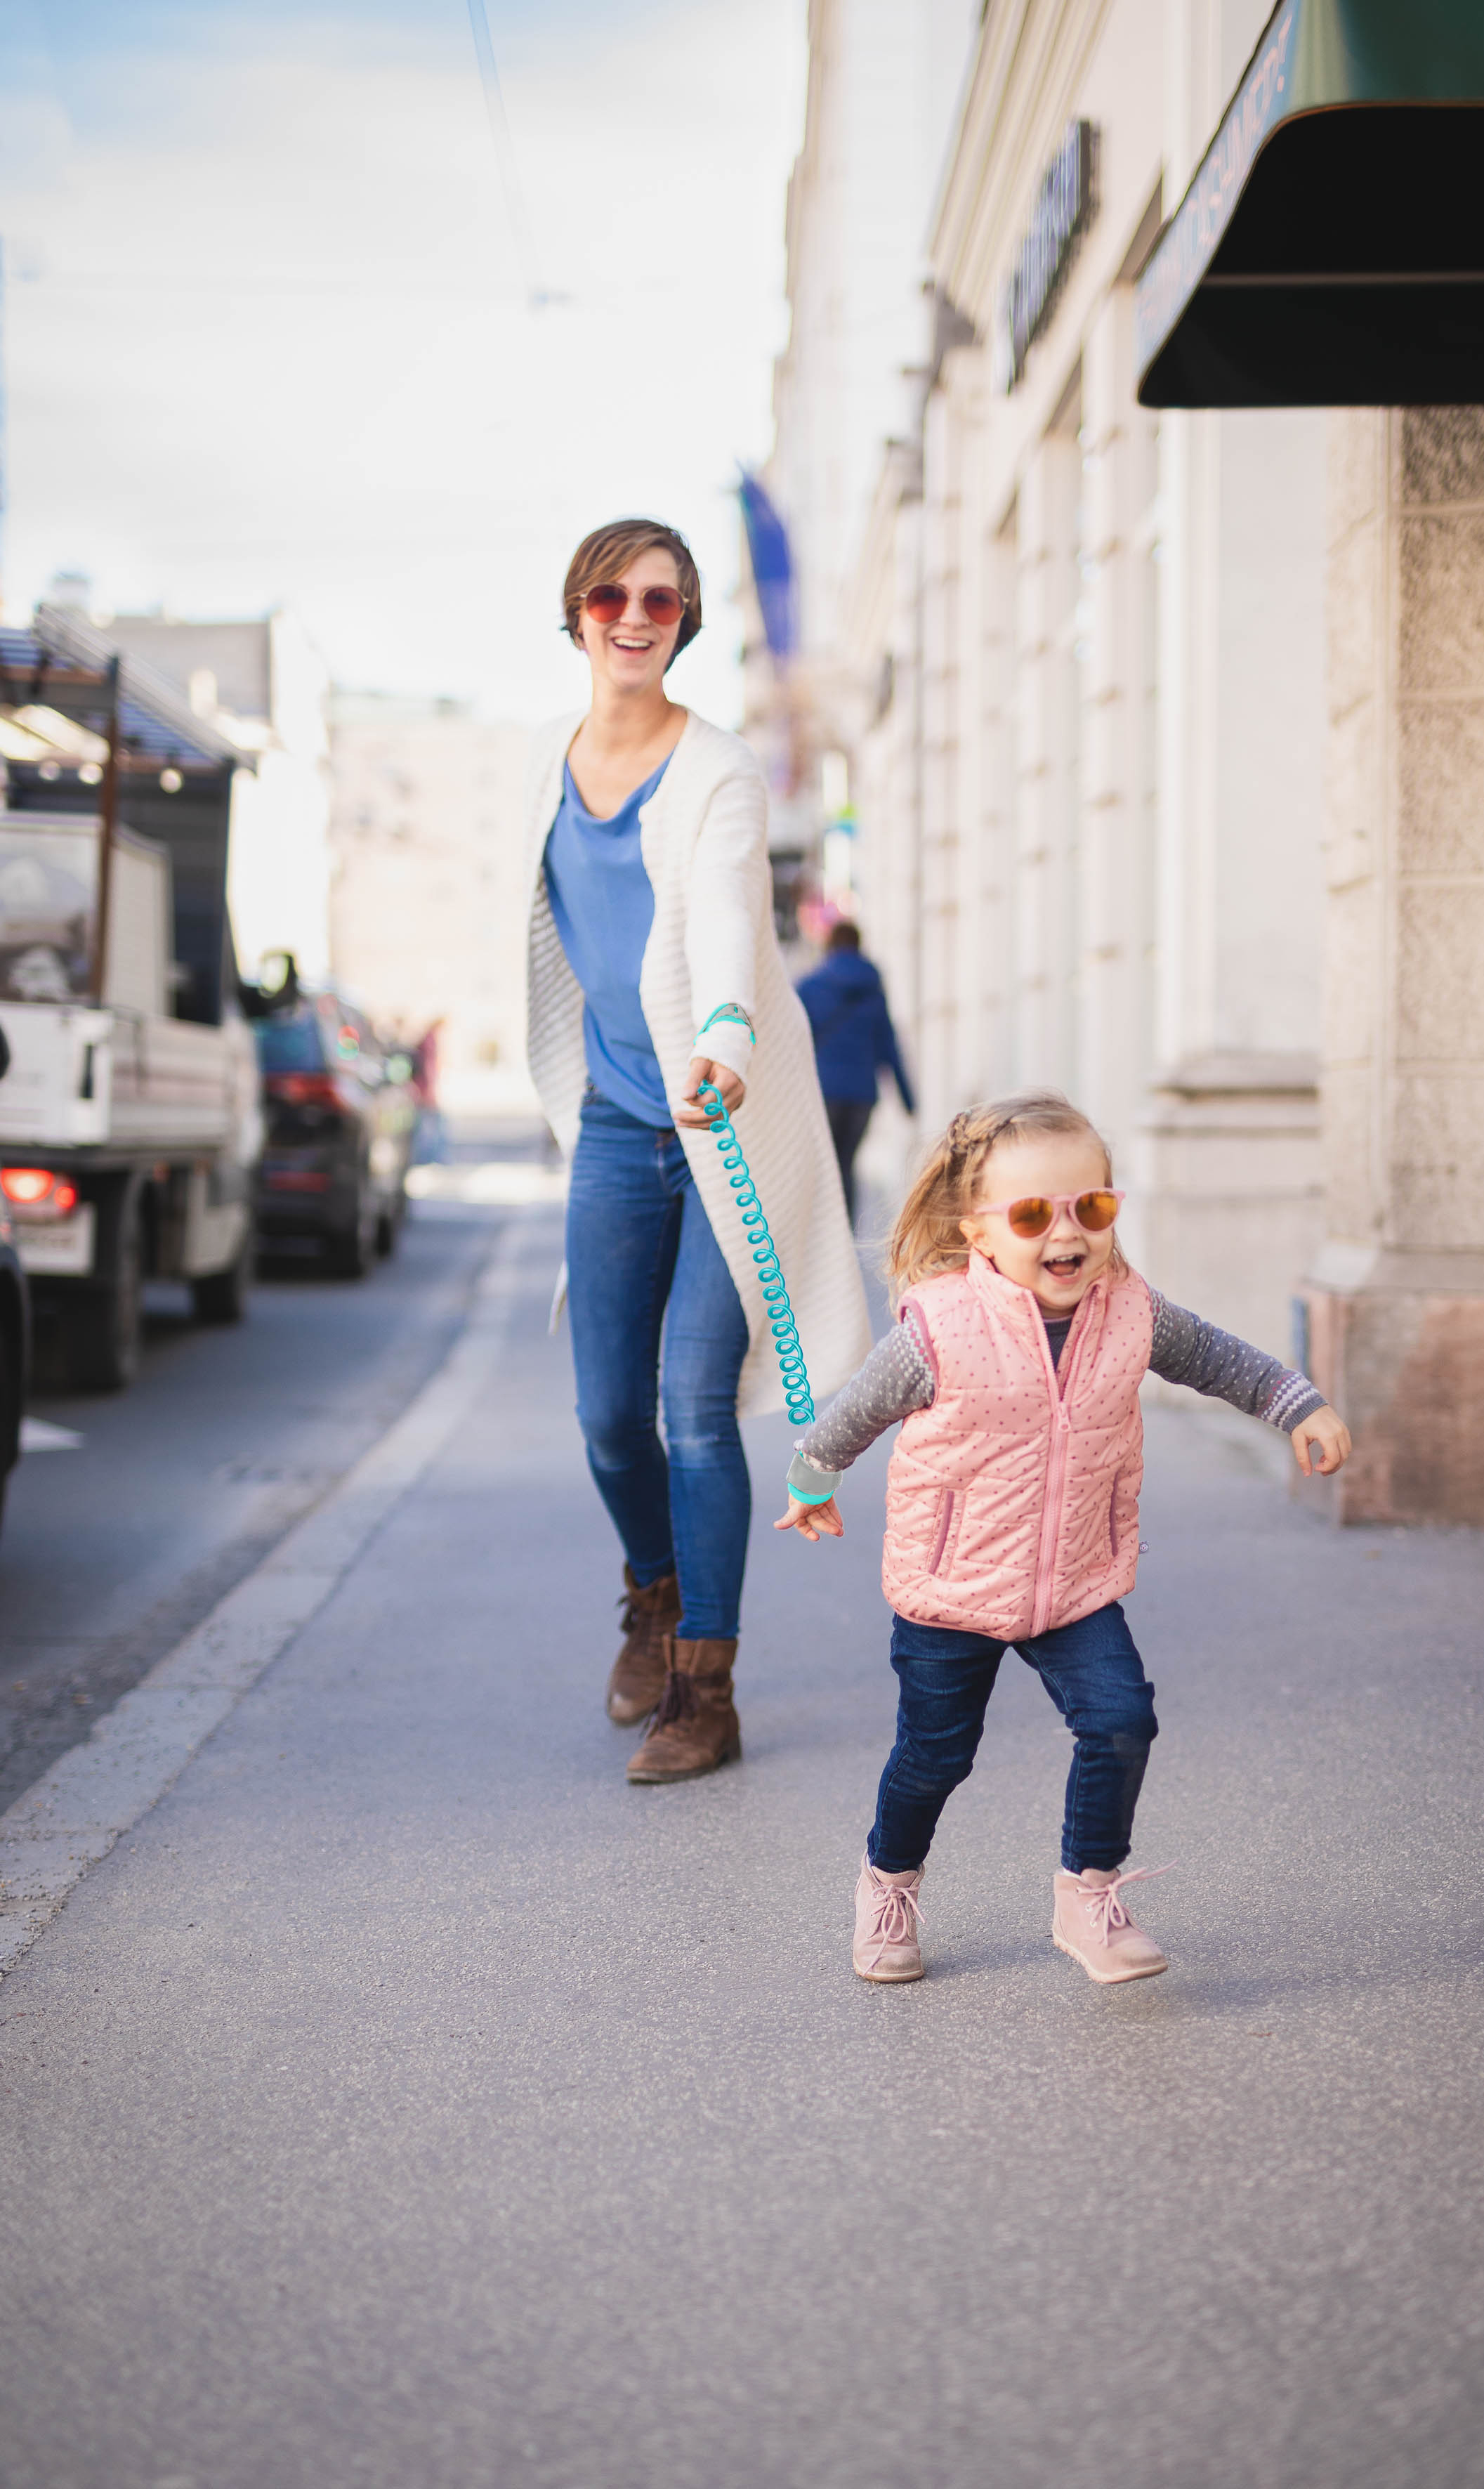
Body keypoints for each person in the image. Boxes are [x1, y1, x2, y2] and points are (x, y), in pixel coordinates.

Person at [773, 1090, 1352, 1985]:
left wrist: (1295, 1405)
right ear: (978, 1232)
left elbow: (1221, 1360)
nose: (1068, 1233)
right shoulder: (939, 1328)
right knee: (934, 1757)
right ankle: (887, 1882)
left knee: (1122, 1721)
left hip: (1075, 1581)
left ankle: (1089, 1894)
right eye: (1036, 1213)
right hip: (950, 1589)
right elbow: (856, 1411)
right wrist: (812, 1478)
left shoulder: (1132, 1311)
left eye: (1094, 1207)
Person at [526, 518, 869, 1784]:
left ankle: (703, 1693)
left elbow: (728, 906)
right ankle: (652, 1593)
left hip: (725, 1118)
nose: (634, 615)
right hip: (619, 1124)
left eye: (660, 599)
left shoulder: (717, 769)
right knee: (607, 1415)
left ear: (685, 620)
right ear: (574, 612)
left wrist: (725, 1032)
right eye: (610, 594)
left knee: (688, 1406)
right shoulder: (542, 767)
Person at [795, 921, 914, 1214]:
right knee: (846, 1165)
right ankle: (844, 1234)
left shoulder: (810, 987)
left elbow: (793, 1042)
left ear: (829, 947)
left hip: (822, 1091)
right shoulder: (873, 991)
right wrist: (908, 1100)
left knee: (821, 1165)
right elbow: (888, 1045)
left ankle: (819, 1233)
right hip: (861, 1095)